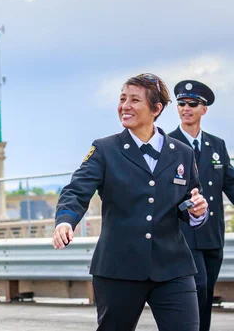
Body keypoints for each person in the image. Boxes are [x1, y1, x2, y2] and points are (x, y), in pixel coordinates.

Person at [52, 73, 209, 331]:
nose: (125, 106)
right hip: (118, 268)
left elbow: (187, 202)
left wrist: (196, 212)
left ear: (156, 108)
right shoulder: (105, 149)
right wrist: (65, 221)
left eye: (135, 100)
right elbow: (76, 191)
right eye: (123, 99)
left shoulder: (182, 152)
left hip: (173, 268)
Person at [168, 80, 234, 331]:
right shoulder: (168, 143)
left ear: (203, 109)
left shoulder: (216, 145)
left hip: (213, 236)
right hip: (184, 235)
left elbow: (230, 182)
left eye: (192, 104)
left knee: (206, 293)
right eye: (181, 103)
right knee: (197, 288)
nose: (186, 108)